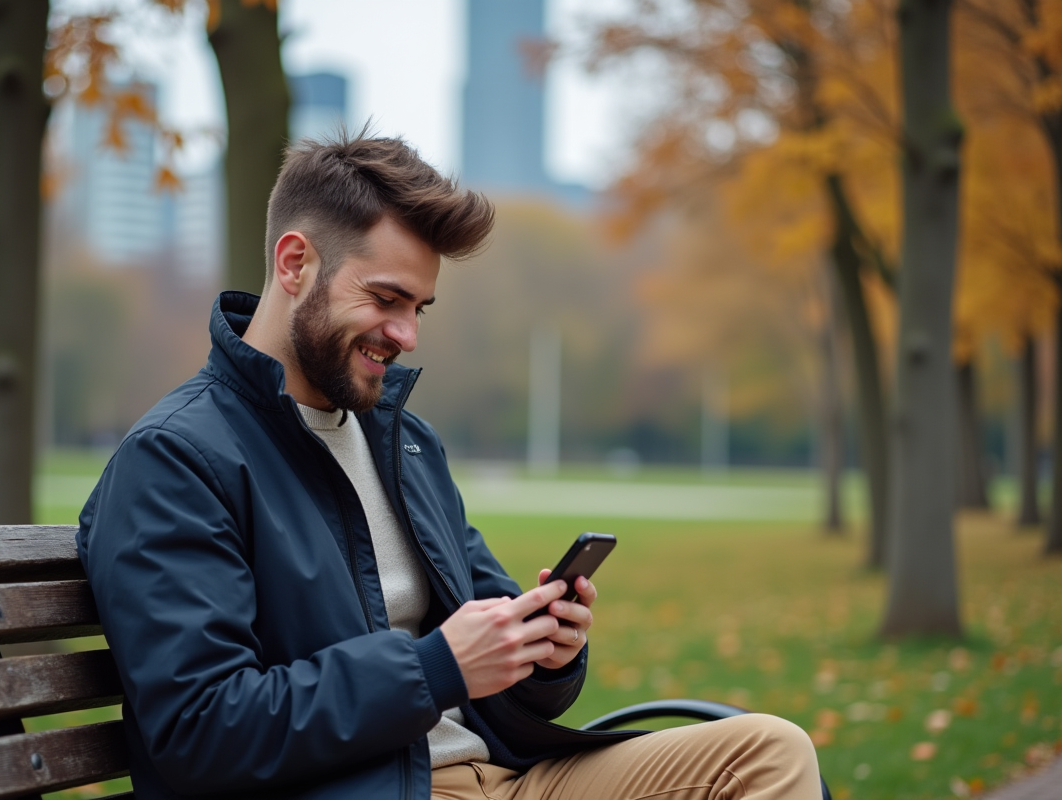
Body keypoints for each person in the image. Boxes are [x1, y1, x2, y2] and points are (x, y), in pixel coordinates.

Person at [77, 132, 823, 800]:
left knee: (768, 754)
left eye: (420, 308)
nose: (404, 334)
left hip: (501, 775)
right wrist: (432, 668)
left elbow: (497, 666)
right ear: (296, 262)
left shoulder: (402, 443)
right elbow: (199, 731)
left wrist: (547, 651)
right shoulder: (176, 460)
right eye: (386, 299)